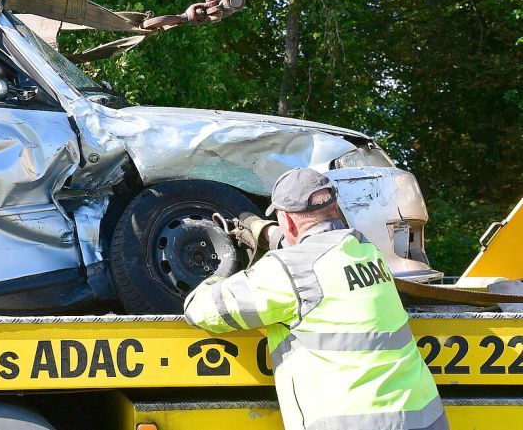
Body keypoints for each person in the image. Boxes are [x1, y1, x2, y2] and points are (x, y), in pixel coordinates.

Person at [184, 167, 448, 430]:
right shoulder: (367, 251)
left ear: (287, 221)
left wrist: (218, 275)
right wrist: (266, 233)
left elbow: (204, 310)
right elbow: (317, 252)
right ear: (335, 208)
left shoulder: (287, 272)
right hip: (425, 416)